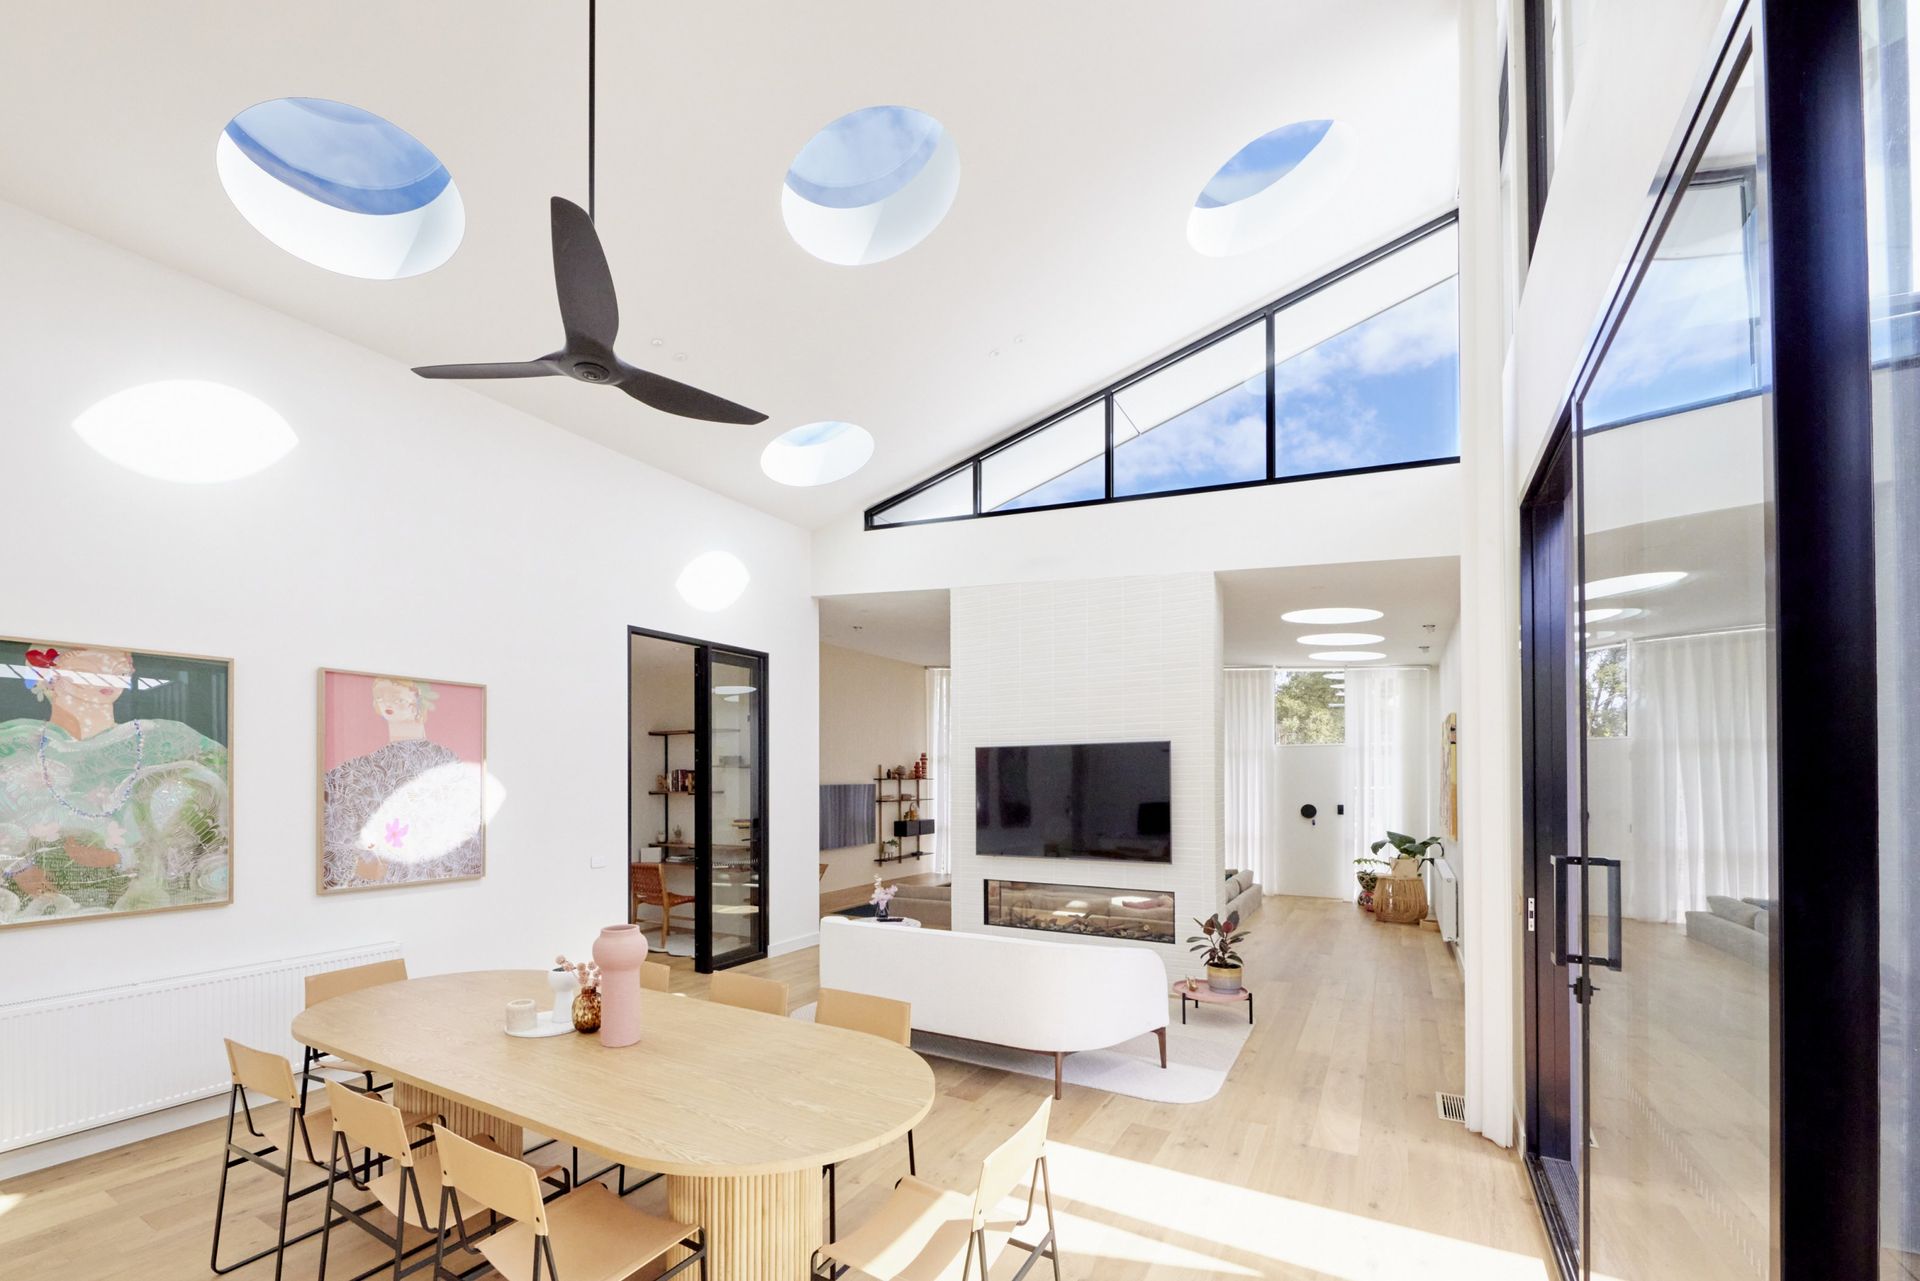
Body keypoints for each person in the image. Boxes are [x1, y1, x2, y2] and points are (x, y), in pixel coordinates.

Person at [0, 643, 229, 924]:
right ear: (49, 675)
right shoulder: (13, 743)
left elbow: (225, 804)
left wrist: (123, 858)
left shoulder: (168, 739)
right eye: (88, 670)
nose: (107, 678)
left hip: (160, 911)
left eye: (119, 670)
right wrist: (16, 867)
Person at [322, 676, 482, 888]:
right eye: (380, 697)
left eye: (395, 695)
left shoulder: (445, 760)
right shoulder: (363, 769)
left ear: (418, 699)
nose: (386, 702)